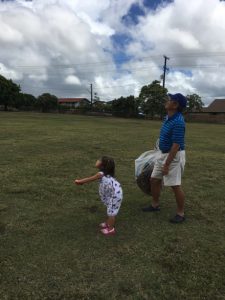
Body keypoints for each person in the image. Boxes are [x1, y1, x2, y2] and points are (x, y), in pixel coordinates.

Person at [142, 93, 187, 224]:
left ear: (175, 105)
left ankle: (181, 213)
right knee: (154, 179)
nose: (167, 101)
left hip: (174, 156)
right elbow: (164, 136)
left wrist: (167, 164)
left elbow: (176, 145)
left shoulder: (178, 121)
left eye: (170, 100)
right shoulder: (167, 117)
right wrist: (158, 147)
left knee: (175, 185)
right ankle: (155, 205)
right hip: (163, 153)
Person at [75, 156, 123, 235]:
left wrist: (79, 181)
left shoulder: (100, 174)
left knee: (111, 212)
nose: (97, 160)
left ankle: (110, 229)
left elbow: (90, 179)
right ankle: (108, 223)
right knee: (110, 209)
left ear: (102, 165)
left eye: (99, 160)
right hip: (112, 194)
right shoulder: (107, 173)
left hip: (115, 195)